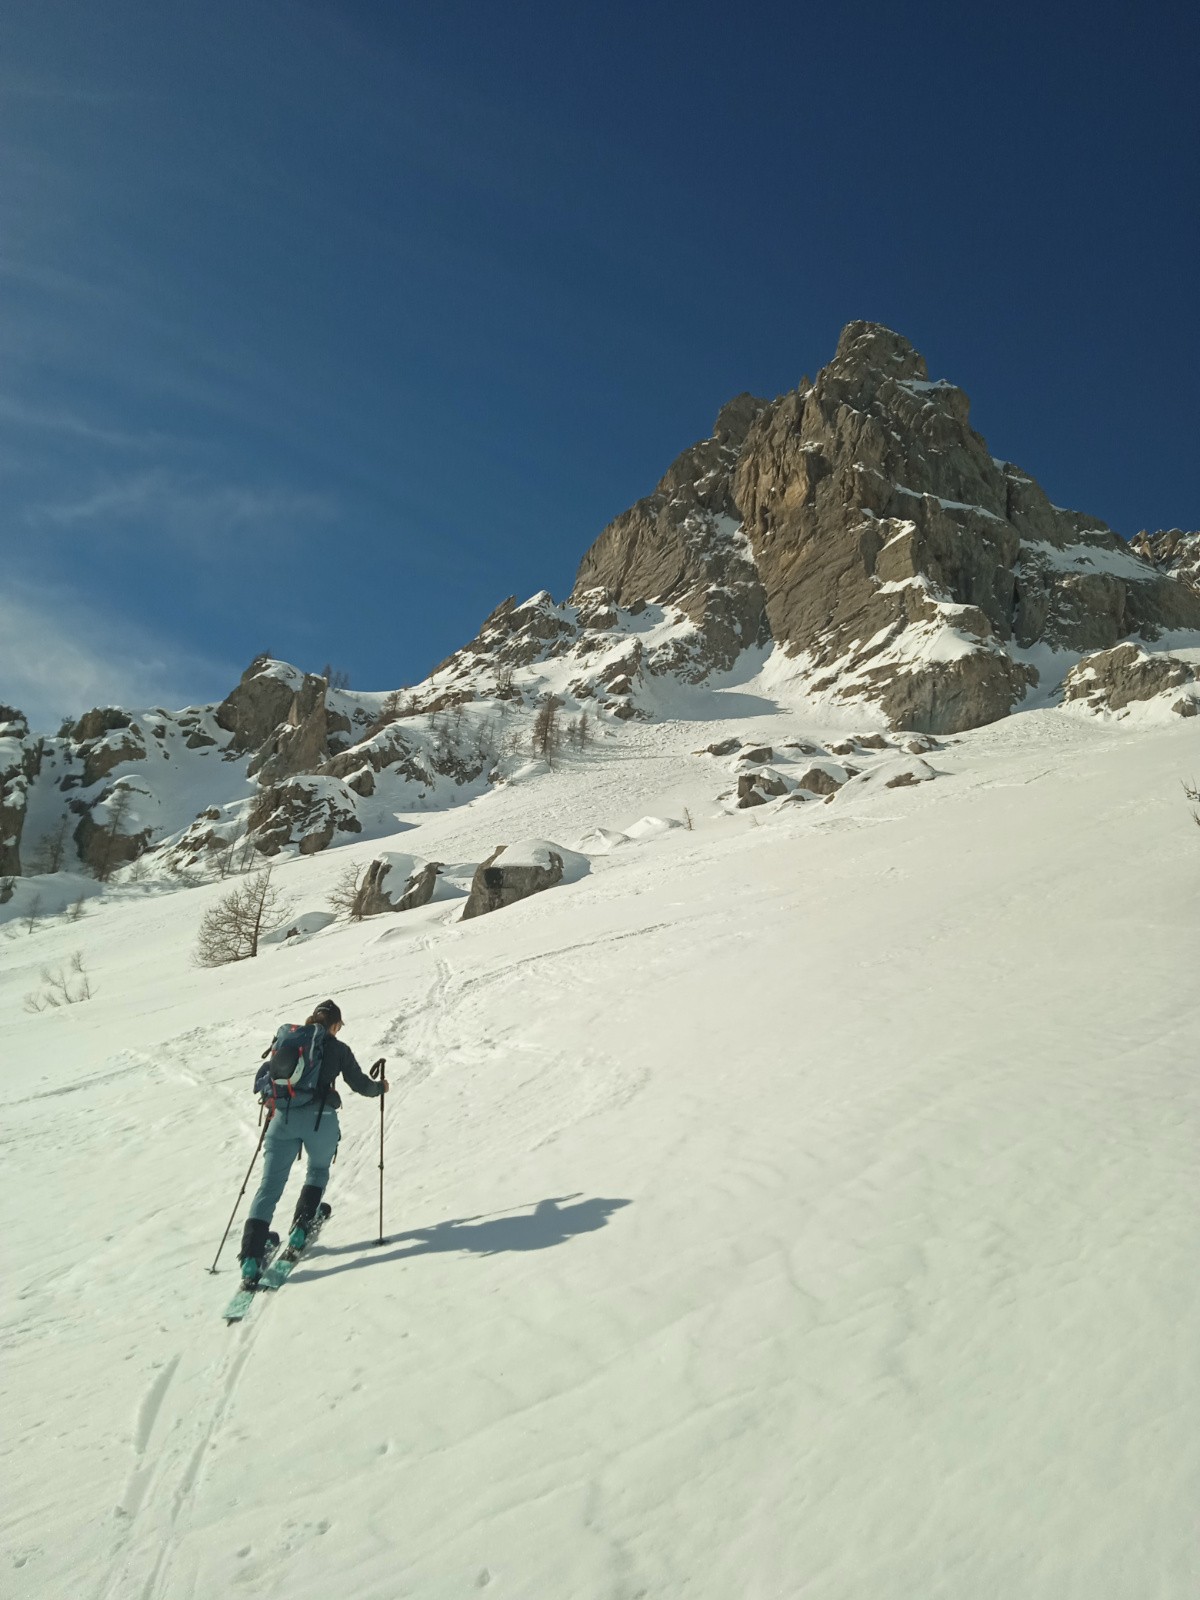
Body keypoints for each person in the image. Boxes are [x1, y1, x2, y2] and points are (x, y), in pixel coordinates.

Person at [238, 999, 388, 1283]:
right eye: (339, 1025)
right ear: (334, 1025)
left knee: (269, 1186)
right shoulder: (338, 1049)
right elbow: (360, 1084)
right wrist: (380, 1087)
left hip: (281, 1119)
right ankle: (301, 1227)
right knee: (317, 1171)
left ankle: (250, 1257)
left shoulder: (290, 1042)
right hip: (320, 1120)